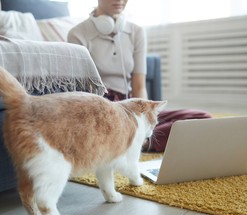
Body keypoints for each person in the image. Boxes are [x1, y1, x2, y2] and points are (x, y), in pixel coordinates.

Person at [67, 0, 212, 152]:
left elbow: (139, 86)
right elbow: (81, 93)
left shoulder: (136, 32)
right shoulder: (77, 34)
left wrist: (144, 117)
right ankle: (129, 140)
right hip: (102, 110)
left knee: (201, 117)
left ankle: (138, 142)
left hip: (131, 106)